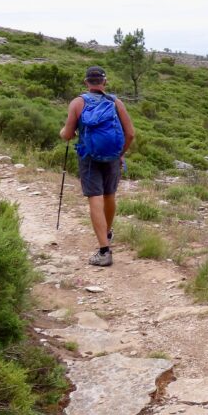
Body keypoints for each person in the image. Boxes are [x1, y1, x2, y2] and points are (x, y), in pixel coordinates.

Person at [60, 66, 136, 266]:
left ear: (86, 82)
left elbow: (67, 135)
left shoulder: (78, 102)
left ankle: (104, 251)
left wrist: (64, 132)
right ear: (104, 82)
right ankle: (107, 233)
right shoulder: (115, 102)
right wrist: (120, 154)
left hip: (89, 158)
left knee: (95, 198)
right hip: (112, 157)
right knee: (109, 195)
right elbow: (130, 134)